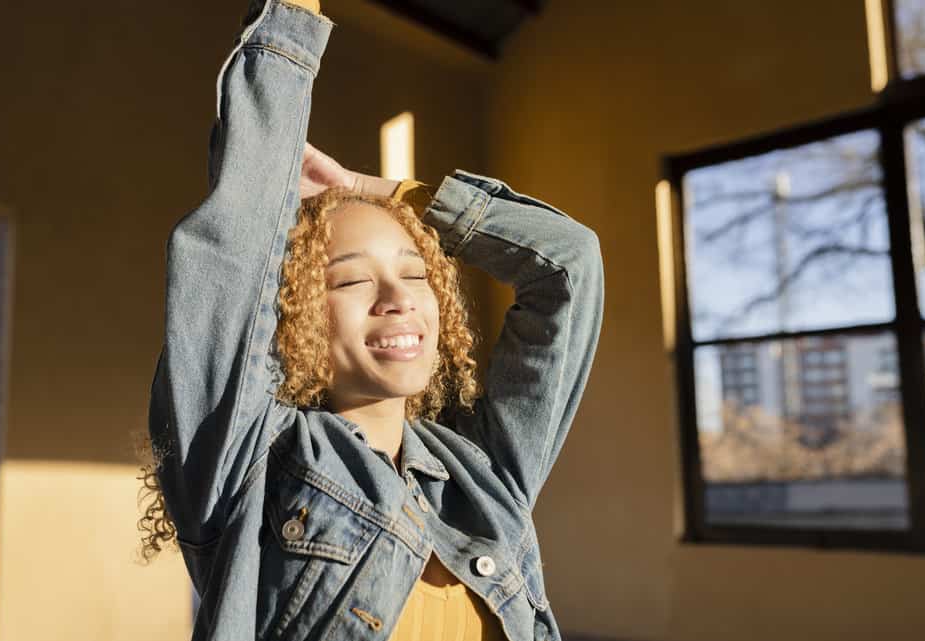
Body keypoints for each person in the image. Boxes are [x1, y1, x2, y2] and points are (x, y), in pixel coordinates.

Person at [141, 1, 604, 640]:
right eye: (353, 280)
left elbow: (566, 265)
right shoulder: (254, 460)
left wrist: (369, 187)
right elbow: (232, 252)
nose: (398, 297)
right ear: (293, 318)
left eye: (416, 273)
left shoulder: (480, 470)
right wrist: (290, 23)